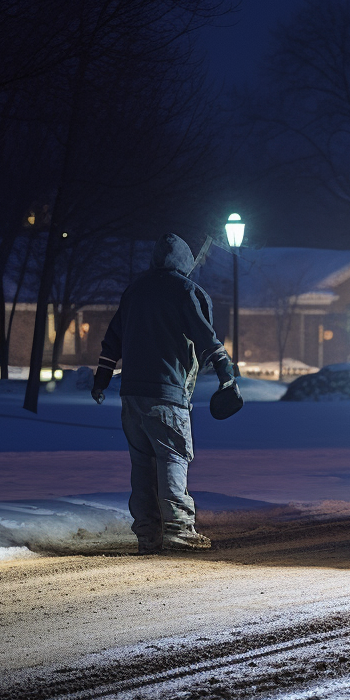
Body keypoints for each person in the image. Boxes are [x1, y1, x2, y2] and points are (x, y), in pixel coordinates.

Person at [92, 233, 243, 555]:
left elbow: (112, 341)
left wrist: (102, 379)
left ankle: (148, 535)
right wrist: (226, 375)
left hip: (131, 395)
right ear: (185, 262)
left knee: (142, 465)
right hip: (167, 394)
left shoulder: (134, 291)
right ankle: (178, 530)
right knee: (173, 457)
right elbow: (206, 337)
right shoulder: (186, 291)